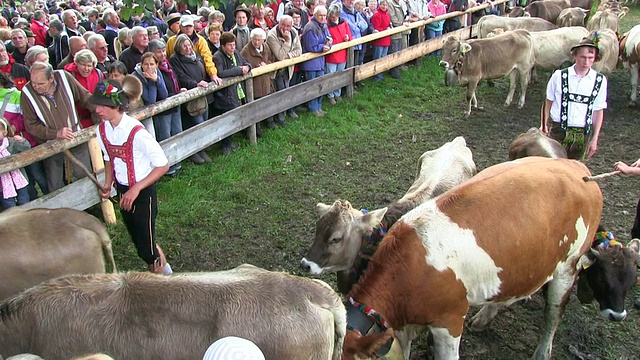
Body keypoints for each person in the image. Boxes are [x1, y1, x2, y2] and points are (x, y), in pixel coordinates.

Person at [92, 79, 172, 275]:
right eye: (97, 104)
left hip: (143, 192)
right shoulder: (101, 130)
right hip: (123, 190)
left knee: (147, 247)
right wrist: (108, 183)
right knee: (140, 239)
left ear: (117, 105)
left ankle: (159, 286)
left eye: (103, 105)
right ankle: (168, 273)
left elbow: (162, 164)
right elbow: (109, 158)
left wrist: (136, 189)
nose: (98, 110)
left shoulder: (136, 132)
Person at [21, 61, 98, 192]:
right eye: (33, 82)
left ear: (51, 78)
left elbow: (85, 97)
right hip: (49, 144)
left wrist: (102, 110)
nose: (35, 87)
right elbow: (31, 125)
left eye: (40, 83)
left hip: (75, 136)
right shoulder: (27, 93)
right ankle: (61, 210)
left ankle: (91, 205)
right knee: (55, 181)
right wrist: (55, 134)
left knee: (83, 173)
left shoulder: (64, 77)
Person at [541, 36, 607, 160]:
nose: (586, 62)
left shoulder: (600, 80)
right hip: (558, 130)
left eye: (590, 58)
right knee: (553, 168)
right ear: (574, 56)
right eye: (582, 57)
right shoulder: (559, 76)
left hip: (583, 133)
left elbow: (598, 110)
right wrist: (543, 125)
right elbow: (548, 101)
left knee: (576, 171)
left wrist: (595, 138)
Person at [0, 71, 47, 200]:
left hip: (22, 142)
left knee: (38, 175)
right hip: (5, 148)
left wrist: (13, 127)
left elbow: (27, 116)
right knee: (24, 180)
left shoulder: (15, 95)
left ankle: (52, 199)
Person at [169, 33, 213, 164]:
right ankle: (195, 151)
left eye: (189, 45)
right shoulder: (175, 59)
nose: (188, 48)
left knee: (204, 121)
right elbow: (181, 76)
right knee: (196, 123)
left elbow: (204, 68)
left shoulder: (196, 56)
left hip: (202, 93)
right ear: (179, 47)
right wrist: (195, 84)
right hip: (189, 96)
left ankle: (203, 148)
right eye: (185, 46)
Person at [212, 32, 251, 155]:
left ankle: (230, 142)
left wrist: (247, 68)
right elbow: (221, 73)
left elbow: (247, 63)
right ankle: (225, 145)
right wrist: (239, 70)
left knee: (234, 116)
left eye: (234, 45)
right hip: (224, 95)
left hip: (236, 92)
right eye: (229, 45)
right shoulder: (218, 57)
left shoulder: (236, 53)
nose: (232, 47)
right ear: (223, 46)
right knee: (226, 119)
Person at [149, 39, 183, 176]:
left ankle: (178, 161)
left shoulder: (167, 64)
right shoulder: (153, 69)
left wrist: (178, 90)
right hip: (162, 107)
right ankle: (168, 167)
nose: (163, 54)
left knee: (177, 132)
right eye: (159, 52)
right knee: (165, 136)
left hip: (175, 102)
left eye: (163, 51)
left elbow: (174, 79)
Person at [267, 14, 302, 122]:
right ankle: (276, 118)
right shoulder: (272, 35)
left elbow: (299, 51)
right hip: (275, 70)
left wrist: (288, 56)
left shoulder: (294, 32)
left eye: (288, 26)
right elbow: (279, 56)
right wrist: (287, 41)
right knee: (276, 94)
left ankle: (282, 115)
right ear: (279, 23)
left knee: (285, 91)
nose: (285, 28)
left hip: (287, 69)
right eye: (283, 25)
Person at [301, 5, 331, 117]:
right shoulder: (310, 27)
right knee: (313, 86)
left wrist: (329, 45)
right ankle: (313, 108)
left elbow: (329, 38)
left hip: (320, 61)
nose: (323, 18)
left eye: (324, 15)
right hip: (311, 63)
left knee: (321, 85)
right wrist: (322, 47)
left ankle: (319, 106)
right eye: (320, 15)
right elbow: (311, 46)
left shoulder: (324, 26)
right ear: (315, 15)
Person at [240, 27, 273, 133]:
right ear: (251, 39)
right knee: (255, 104)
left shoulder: (266, 47)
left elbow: (271, 60)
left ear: (263, 40)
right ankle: (256, 128)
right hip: (254, 83)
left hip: (265, 80)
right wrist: (255, 67)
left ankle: (267, 122)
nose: (257, 42)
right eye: (255, 39)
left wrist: (266, 64)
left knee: (265, 101)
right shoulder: (245, 51)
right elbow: (243, 66)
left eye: (259, 40)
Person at [64, 49, 104, 129]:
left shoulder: (98, 74)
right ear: (76, 63)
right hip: (78, 121)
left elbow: (102, 91)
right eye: (83, 65)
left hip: (97, 119)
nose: (86, 69)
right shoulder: (69, 76)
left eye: (89, 66)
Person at [133, 52, 167, 139]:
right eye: (146, 64)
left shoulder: (157, 72)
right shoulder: (136, 77)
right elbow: (150, 100)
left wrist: (157, 80)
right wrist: (152, 81)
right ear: (142, 65)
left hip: (156, 110)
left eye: (151, 64)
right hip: (141, 112)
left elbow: (164, 94)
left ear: (156, 65)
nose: (149, 67)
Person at [0, 117, 30, 210]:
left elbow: (26, 148)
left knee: (24, 201)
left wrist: (22, 141)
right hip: (3, 186)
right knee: (10, 207)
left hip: (19, 180)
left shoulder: (11, 143)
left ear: (4, 133)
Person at [325, 3, 352, 105]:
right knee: (331, 76)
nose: (333, 18)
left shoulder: (344, 23)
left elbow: (349, 35)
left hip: (342, 54)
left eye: (334, 16)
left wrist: (347, 38)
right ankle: (330, 95)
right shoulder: (327, 25)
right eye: (331, 16)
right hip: (331, 56)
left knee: (340, 74)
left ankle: (337, 93)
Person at [370, 0, 391, 81]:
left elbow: (388, 23)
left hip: (386, 39)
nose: (384, 7)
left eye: (386, 5)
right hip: (379, 41)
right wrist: (386, 29)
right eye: (383, 5)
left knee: (383, 58)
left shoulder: (387, 14)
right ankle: (376, 76)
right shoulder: (376, 15)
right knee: (377, 58)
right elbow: (376, 28)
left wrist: (389, 27)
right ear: (380, 5)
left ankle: (381, 74)